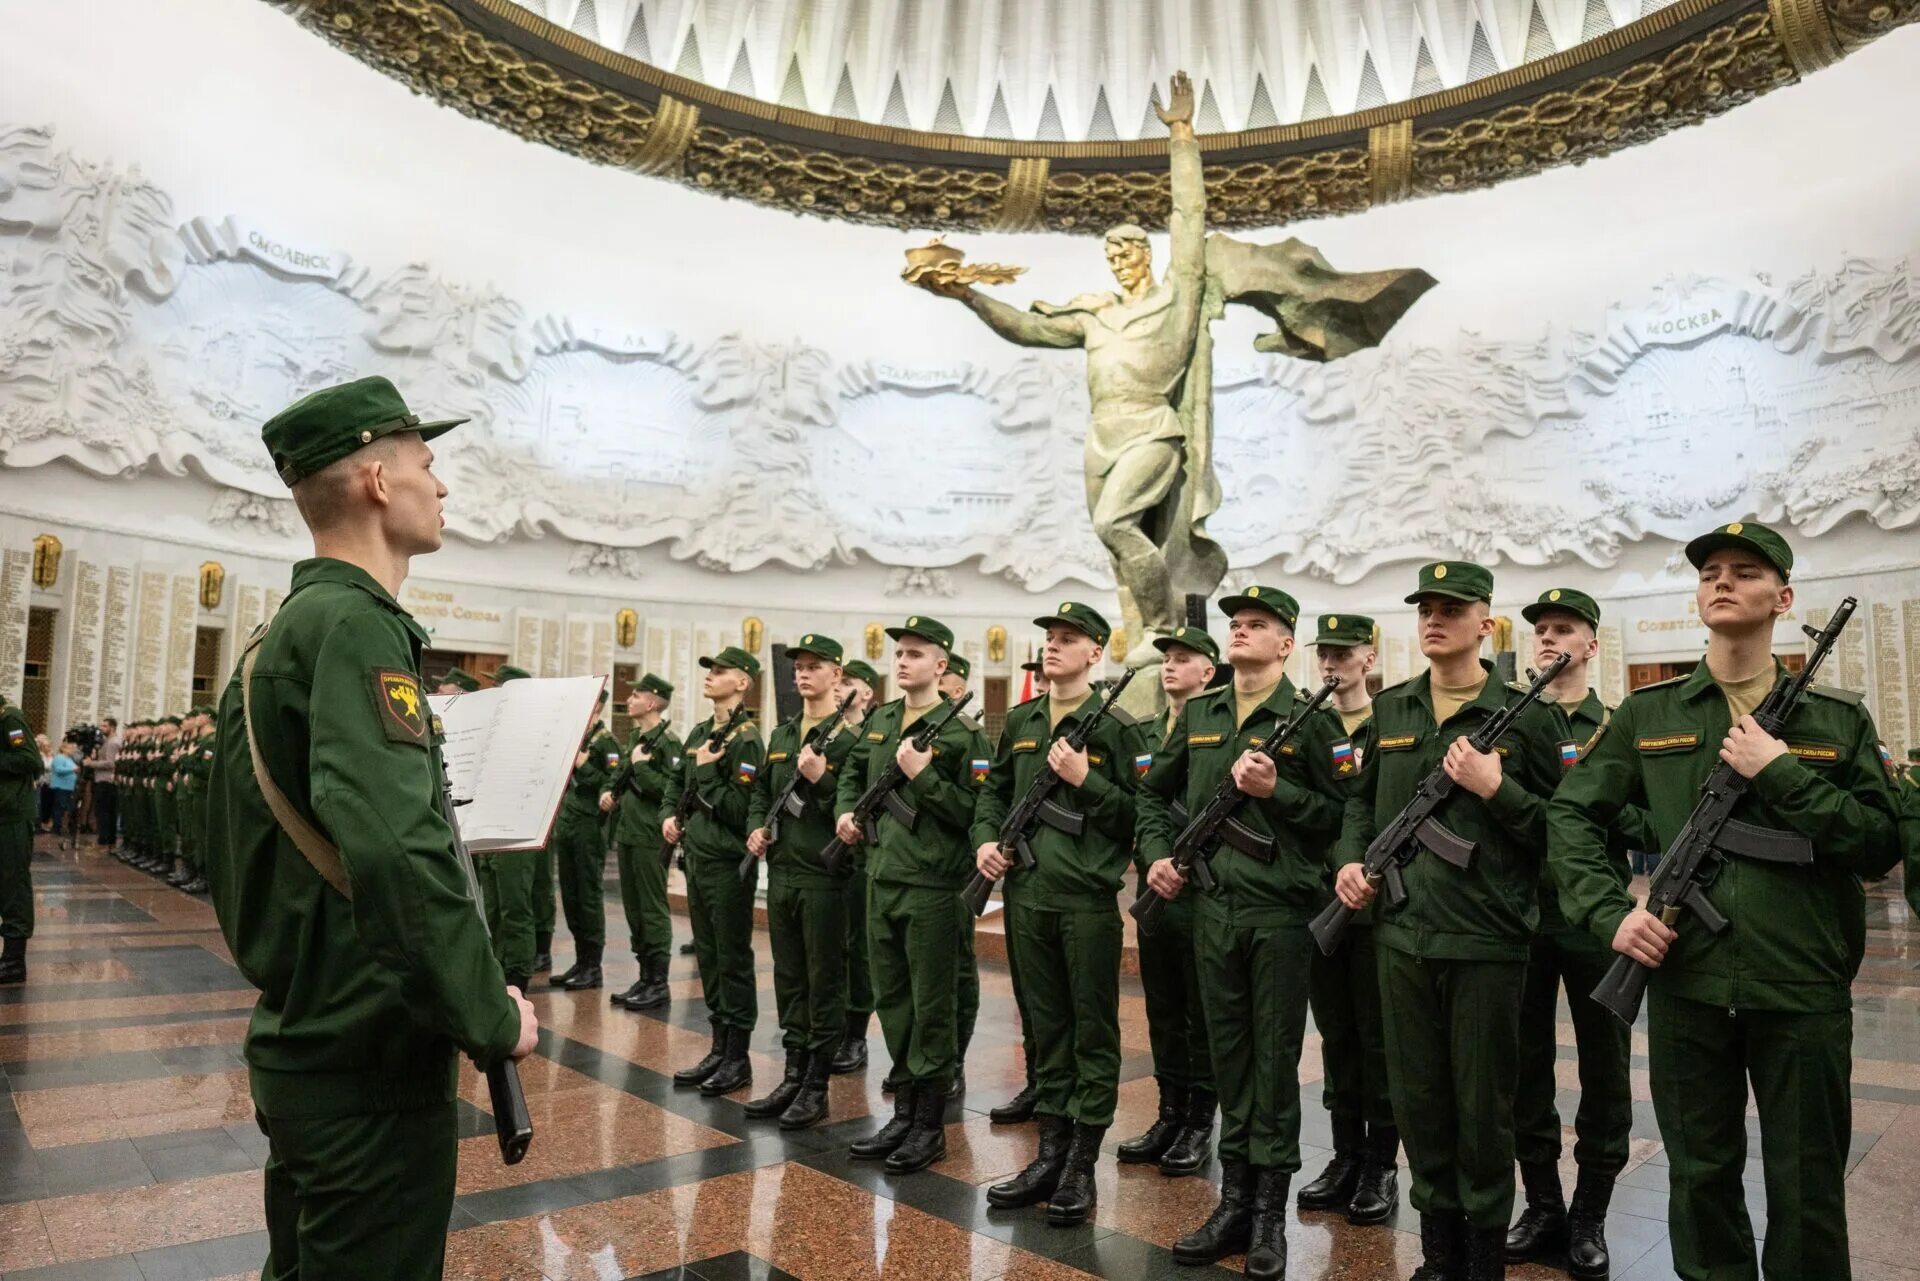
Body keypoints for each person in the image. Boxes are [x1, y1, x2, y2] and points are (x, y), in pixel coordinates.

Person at [203, 375, 537, 1279]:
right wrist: (487, 1011)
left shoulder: (281, 636)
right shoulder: (357, 627)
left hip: (310, 1034)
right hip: (367, 1058)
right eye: (428, 464)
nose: (443, 484)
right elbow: (395, 847)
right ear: (380, 483)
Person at [1548, 522, 1901, 1281]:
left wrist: (1782, 774)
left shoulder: (1837, 718)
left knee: (1807, 1191)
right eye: (1711, 570)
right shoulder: (1651, 712)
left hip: (1801, 984)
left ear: (1784, 597)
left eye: (1745, 570)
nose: (1722, 580)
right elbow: (1572, 813)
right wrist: (1612, 912)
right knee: (1700, 1181)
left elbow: (1878, 842)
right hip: (1686, 982)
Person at [1334, 561, 1571, 1281]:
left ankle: (1484, 1252)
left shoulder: (1528, 713)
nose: (1434, 618)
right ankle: (1438, 1250)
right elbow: (1359, 802)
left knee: (1483, 1107)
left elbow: (1564, 828)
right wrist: (1349, 862)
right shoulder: (1395, 707)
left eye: (1451, 607)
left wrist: (1497, 789)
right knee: (1421, 1102)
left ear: (1486, 620)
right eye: (1426, 608)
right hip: (1401, 937)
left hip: (1486, 938)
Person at [1140, 586, 1354, 1279]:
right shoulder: (1200, 712)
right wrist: (1156, 857)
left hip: (1280, 916)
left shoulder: (1311, 719)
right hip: (1211, 911)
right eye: (1235, 622)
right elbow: (1152, 794)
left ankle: (1268, 1214)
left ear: (1285, 643)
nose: (1239, 630)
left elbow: (1345, 815)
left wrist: (1277, 793)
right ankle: (1232, 1201)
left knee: (1272, 1065)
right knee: (1229, 1058)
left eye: (1255, 624)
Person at [974, 602, 1146, 1226]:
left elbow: (1140, 815)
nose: (1052, 646)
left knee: (1091, 1033)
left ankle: (1080, 1164)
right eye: (1049, 636)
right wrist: (987, 840)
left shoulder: (1121, 729)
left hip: (1084, 902)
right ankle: (1048, 1151)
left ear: (1095, 653)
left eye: (1068, 639)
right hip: (1025, 896)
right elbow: (993, 790)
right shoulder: (1021, 719)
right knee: (1046, 1031)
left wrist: (1085, 780)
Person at [1507, 589, 1652, 1278]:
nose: (1547, 637)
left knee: (1605, 1069)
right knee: (1521, 1067)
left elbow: (1658, 826)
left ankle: (1590, 1210)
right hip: (1519, 915)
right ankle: (1541, 1203)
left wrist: (1595, 807)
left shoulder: (1620, 726)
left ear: (1592, 644)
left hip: (1595, 920)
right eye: (1539, 628)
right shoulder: (1506, 721)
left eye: (1563, 628)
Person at [840, 616, 990, 1174]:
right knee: (894, 1001)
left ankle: (929, 1125)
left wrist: (923, 777)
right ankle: (902, 1114)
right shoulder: (881, 720)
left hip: (933, 885)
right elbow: (854, 773)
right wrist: (845, 813)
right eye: (899, 653)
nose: (903, 662)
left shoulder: (962, 735)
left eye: (916, 654)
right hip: (882, 877)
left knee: (933, 1007)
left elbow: (975, 812)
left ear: (941, 665)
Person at [1298, 613, 1400, 1226]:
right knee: (1338, 1035)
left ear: (1369, 658)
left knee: (1379, 1037)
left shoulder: (1389, 721)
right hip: (1319, 903)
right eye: (1325, 654)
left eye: (1345, 653)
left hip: (1377, 905)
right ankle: (1343, 1156)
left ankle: (1380, 1161)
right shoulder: (1308, 724)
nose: (1332, 664)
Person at [743, 634, 859, 1129]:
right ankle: (792, 1074)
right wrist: (756, 827)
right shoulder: (783, 735)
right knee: (789, 979)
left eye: (815, 667)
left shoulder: (852, 741)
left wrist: (823, 778)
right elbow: (760, 795)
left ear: (837, 675)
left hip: (825, 879)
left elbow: (857, 817)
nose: (803, 674)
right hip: (785, 874)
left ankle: (816, 1084)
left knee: (823, 981)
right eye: (799, 667)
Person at [1117, 624, 1219, 1177]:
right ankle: (1169, 1112)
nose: (1170, 666)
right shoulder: (1147, 732)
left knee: (1202, 1010)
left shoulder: (1221, 727)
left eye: (1184, 658)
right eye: (1166, 658)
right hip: (1157, 884)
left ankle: (1200, 1121)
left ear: (1209, 670)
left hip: (1202, 890)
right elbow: (1142, 804)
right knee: (1162, 1007)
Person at [663, 646, 765, 1097]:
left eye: (721, 671)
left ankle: (737, 1056)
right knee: (708, 954)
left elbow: (741, 809)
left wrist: (706, 775)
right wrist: (669, 813)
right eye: (710, 669)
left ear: (742, 682)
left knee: (731, 957)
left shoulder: (746, 739)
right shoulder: (703, 730)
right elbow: (676, 783)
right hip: (698, 857)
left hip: (727, 862)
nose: (712, 676)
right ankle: (718, 1046)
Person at [602, 673, 679, 1011]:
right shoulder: (636, 737)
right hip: (629, 833)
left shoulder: (668, 743)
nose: (629, 700)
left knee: (652, 908)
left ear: (650, 703)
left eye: (635, 696)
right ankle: (644, 975)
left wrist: (642, 769)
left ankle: (659, 983)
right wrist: (609, 792)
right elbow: (620, 777)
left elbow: (670, 790)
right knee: (634, 908)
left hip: (650, 835)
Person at [829, 657, 882, 1073]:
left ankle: (856, 1034)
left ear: (866, 693)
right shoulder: (824, 733)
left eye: (847, 681)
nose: (837, 685)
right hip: (825, 857)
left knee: (858, 948)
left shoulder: (873, 735)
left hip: (863, 855)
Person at [549, 690, 620, 991]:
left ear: (597, 706)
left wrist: (583, 765)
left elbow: (610, 783)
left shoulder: (606, 742)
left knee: (588, 897)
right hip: (568, 825)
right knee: (572, 895)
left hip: (590, 828)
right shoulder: (579, 737)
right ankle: (580, 961)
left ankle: (593, 966)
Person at [0, 693, 39, 984]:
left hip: (12, 815)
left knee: (13, 883)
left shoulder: (9, 717)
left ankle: (14, 961)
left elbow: (29, 759)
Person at [90, 717, 121, 852]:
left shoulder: (113, 743)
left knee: (105, 813)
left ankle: (105, 842)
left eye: (104, 726)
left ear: (112, 728)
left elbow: (110, 763)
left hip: (106, 780)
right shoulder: (106, 741)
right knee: (104, 812)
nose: (101, 728)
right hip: (102, 779)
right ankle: (107, 841)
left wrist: (91, 763)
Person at [47, 741, 79, 848]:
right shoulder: (59, 758)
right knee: (59, 807)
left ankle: (61, 826)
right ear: (64, 749)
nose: (73, 750)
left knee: (64, 807)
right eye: (70, 748)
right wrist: (73, 769)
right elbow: (59, 770)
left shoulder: (69, 759)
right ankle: (57, 827)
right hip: (60, 786)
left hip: (68, 787)